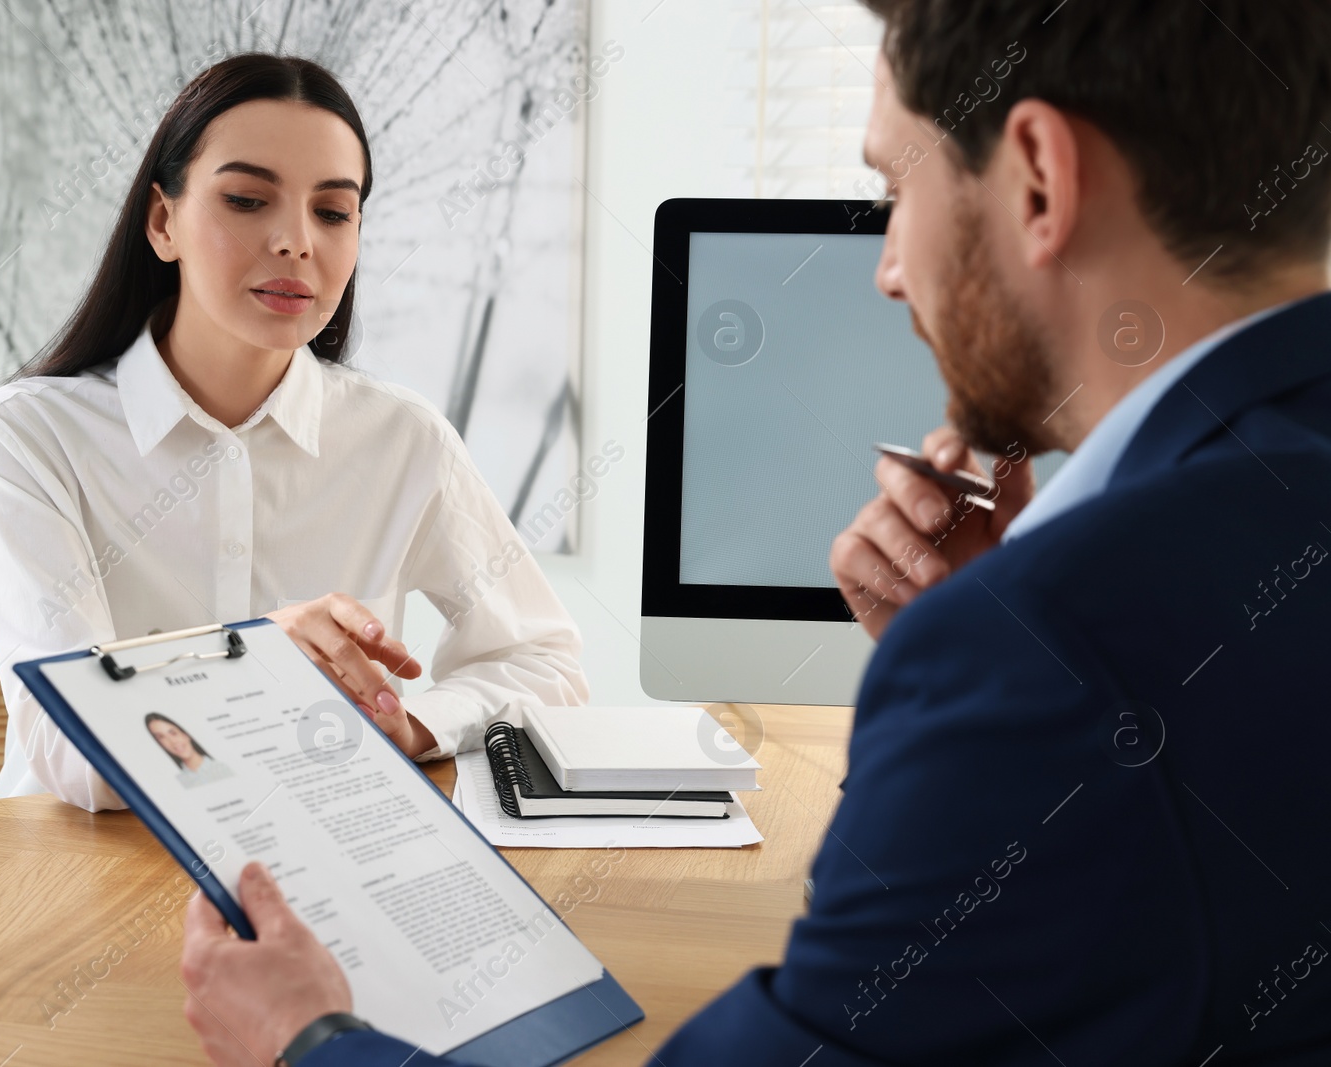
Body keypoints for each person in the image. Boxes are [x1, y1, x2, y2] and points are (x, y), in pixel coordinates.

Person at [177, 2, 1331, 1064]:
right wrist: (991, 657)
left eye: (893, 189)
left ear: (1035, 177)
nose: (885, 268)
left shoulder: (1063, 652)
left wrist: (308, 1035)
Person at [0, 54, 587, 812]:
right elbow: (77, 753)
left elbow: (542, 659)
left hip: (327, 859)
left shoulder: (402, 438)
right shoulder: (28, 436)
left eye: (332, 212)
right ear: (164, 222)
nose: (296, 241)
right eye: (248, 199)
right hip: (84, 878)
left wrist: (408, 723)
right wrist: (252, 660)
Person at [144, 712, 234, 788]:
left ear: (185, 734)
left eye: (173, 733)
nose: (173, 742)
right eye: (161, 737)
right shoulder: (177, 781)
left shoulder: (223, 768)